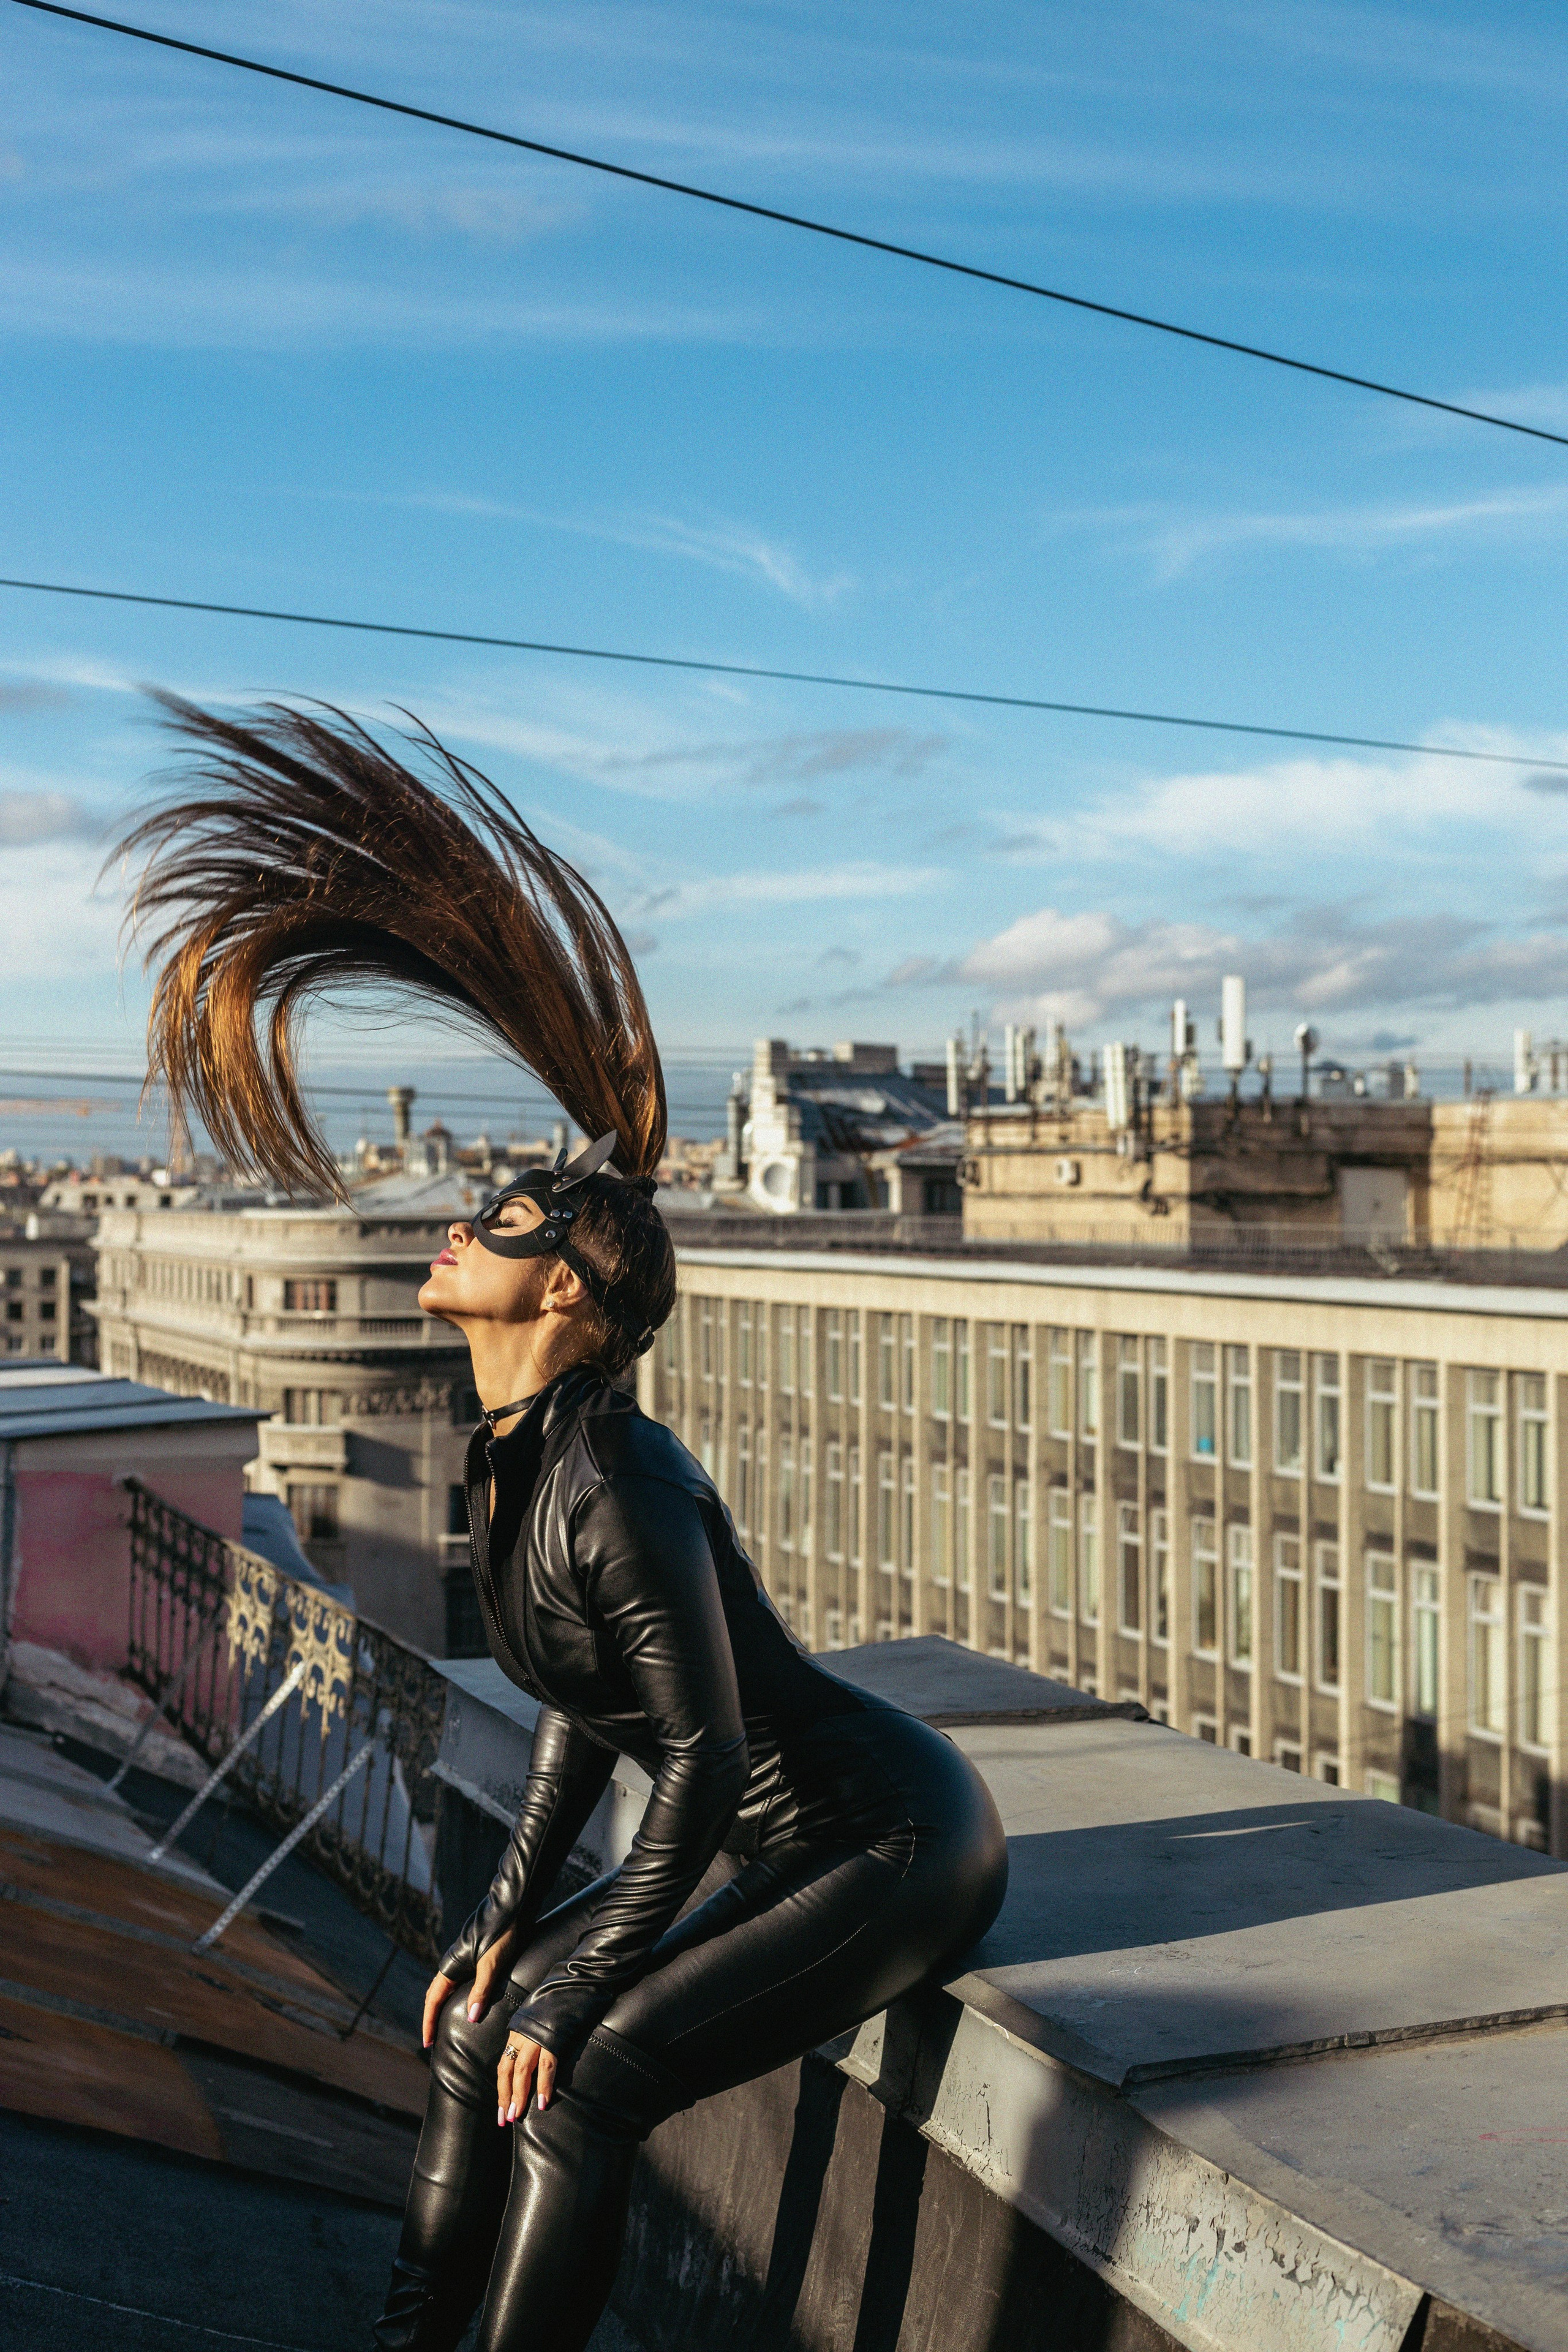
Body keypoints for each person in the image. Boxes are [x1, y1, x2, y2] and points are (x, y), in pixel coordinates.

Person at [118, 695, 1009, 2352]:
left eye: (498, 1222)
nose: (457, 1229)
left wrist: (585, 1971)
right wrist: (507, 1921)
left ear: (570, 1288)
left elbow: (692, 1748)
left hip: (892, 1845)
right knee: (474, 2017)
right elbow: (573, 1729)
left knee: (579, 2074)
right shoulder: (517, 1457)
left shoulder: (622, 1479)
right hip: (770, 1835)